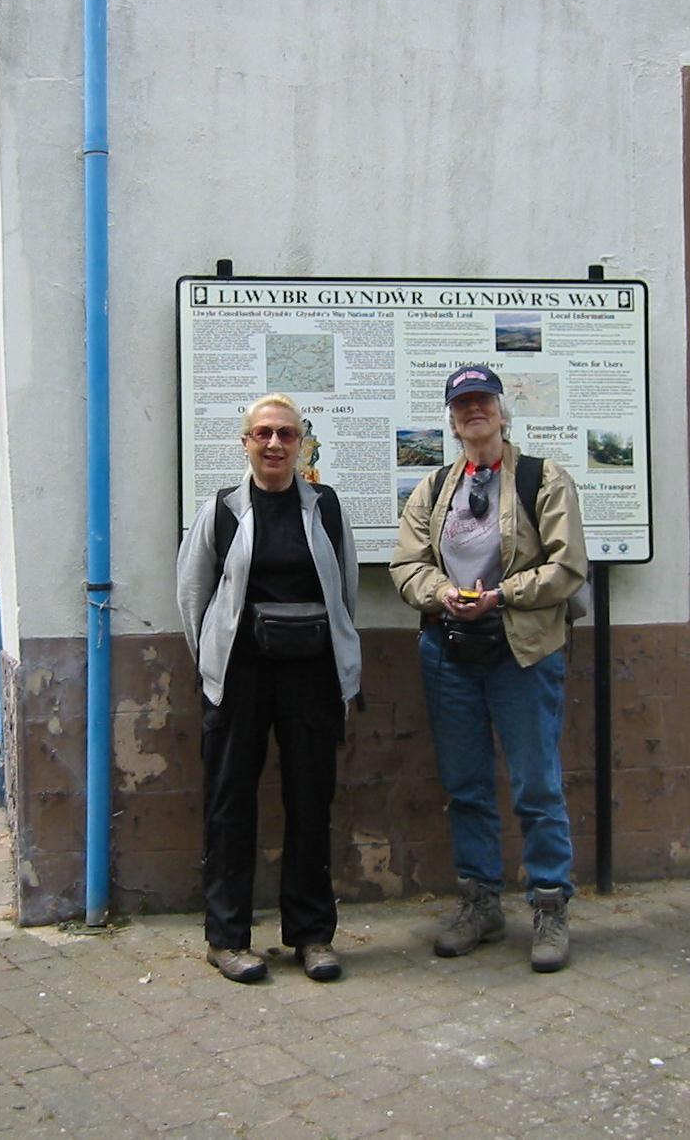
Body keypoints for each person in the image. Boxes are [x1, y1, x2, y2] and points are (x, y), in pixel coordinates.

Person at [390, 364, 588, 973]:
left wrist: (502, 596)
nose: (474, 411)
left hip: (521, 650)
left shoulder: (542, 479)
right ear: (452, 421)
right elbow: (407, 565)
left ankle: (550, 904)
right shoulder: (432, 489)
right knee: (466, 785)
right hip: (449, 652)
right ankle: (480, 902)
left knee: (536, 784)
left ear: (502, 413)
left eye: (484, 401)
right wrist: (442, 593)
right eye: (463, 405)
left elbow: (567, 567)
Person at [177, 393, 361, 983]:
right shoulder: (222, 510)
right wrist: (214, 663)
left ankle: (311, 934)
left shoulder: (326, 507)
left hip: (311, 674)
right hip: (241, 677)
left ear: (302, 443)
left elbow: (346, 591)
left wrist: (339, 657)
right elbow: (193, 595)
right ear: (246, 443)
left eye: (286, 433)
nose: (275, 444)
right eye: (263, 434)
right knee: (229, 804)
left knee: (310, 801)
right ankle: (227, 938)